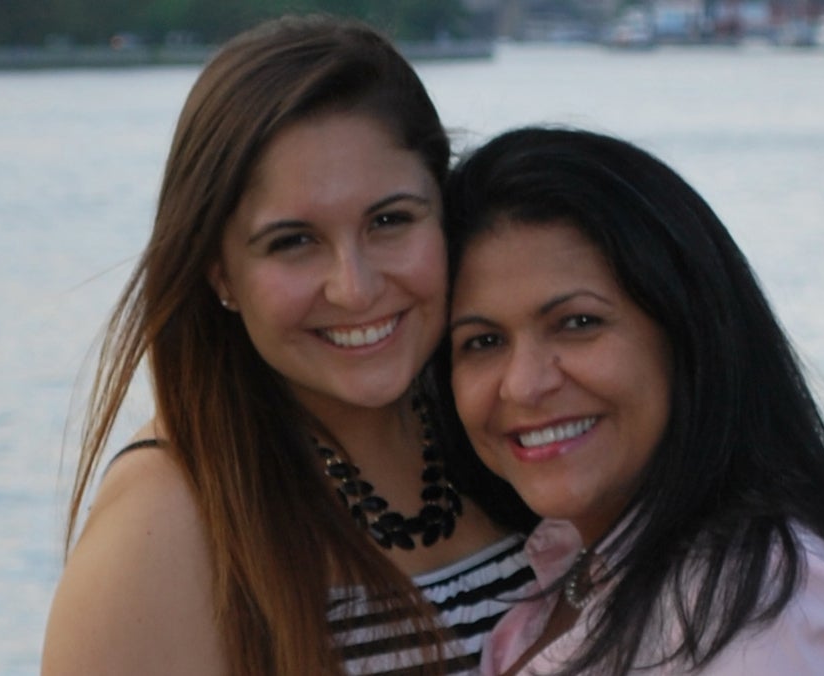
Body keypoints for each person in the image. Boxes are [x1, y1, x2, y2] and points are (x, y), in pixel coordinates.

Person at [40, 16, 536, 676]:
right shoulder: (167, 524)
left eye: (389, 221)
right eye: (293, 242)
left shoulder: (507, 418)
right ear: (220, 273)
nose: (354, 289)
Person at [440, 126, 824, 675]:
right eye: (483, 341)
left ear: (687, 334)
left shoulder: (757, 612)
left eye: (578, 323)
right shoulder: (566, 572)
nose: (524, 384)